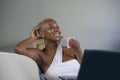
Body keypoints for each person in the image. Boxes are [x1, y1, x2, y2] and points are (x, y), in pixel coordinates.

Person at [15, 18, 83, 80]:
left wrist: (78, 50)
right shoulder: (41, 55)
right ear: (42, 34)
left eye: (57, 27)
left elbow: (87, 70)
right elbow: (19, 49)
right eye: (51, 28)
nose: (57, 30)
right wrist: (32, 38)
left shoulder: (71, 50)